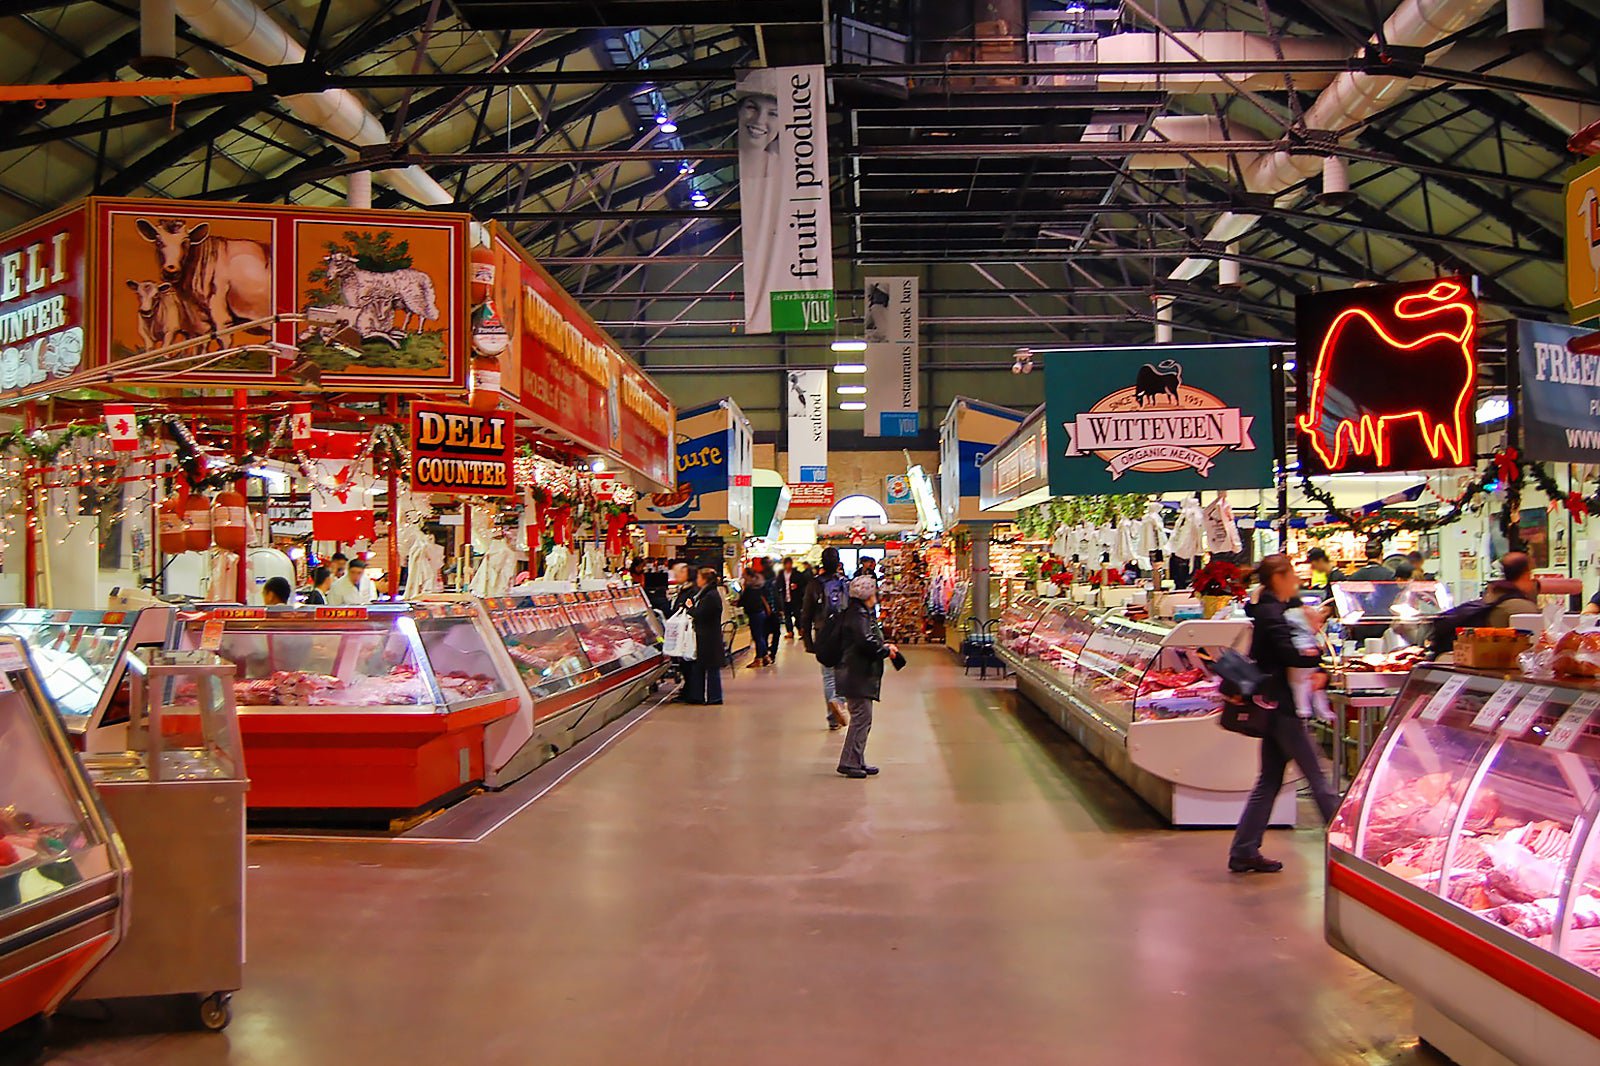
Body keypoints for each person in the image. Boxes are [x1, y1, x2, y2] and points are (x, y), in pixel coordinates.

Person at [1228, 553, 1341, 875]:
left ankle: (1244, 850)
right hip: (1281, 706)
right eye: (1292, 574)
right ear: (1279, 577)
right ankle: (1349, 850)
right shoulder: (1271, 613)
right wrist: (1317, 659)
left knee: (1269, 780)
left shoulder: (1272, 610)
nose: (1297, 580)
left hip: (1273, 704)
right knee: (1318, 778)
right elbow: (1286, 653)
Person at [835, 574, 899, 779]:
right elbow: (865, 642)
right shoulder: (859, 615)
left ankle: (856, 759)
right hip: (856, 673)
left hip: (854, 672)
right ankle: (849, 761)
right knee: (861, 718)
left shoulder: (858, 613)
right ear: (867, 594)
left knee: (863, 718)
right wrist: (884, 650)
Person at [801, 547, 851, 730]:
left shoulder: (814, 584)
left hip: (823, 633)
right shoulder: (844, 582)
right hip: (844, 633)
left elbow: (806, 613)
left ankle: (832, 718)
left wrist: (807, 640)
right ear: (838, 563)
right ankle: (839, 701)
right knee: (844, 673)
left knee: (828, 676)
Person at [682, 568, 725, 705]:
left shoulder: (710, 596)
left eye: (699, 577)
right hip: (707, 636)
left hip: (708, 637)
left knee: (711, 668)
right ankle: (699, 696)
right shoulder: (708, 594)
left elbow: (700, 614)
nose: (697, 580)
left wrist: (690, 607)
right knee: (702, 667)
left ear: (705, 579)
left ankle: (714, 697)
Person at [1484, 552, 1541, 627]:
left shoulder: (1492, 595)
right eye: (1531, 574)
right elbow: (1534, 636)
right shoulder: (1522, 608)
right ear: (1526, 575)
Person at [738, 567, 776, 667]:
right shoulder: (759, 585)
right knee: (760, 636)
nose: (742, 575)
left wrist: (736, 603)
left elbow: (744, 601)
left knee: (757, 636)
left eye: (744, 573)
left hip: (754, 613)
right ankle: (765, 657)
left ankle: (759, 658)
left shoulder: (749, 587)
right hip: (760, 612)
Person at [777, 556, 806, 639]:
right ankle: (790, 631)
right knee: (787, 616)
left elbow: (803, 583)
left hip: (795, 598)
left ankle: (800, 630)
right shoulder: (781, 574)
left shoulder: (797, 574)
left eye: (790, 564)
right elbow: (778, 584)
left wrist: (797, 586)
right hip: (785, 598)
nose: (788, 566)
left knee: (798, 615)